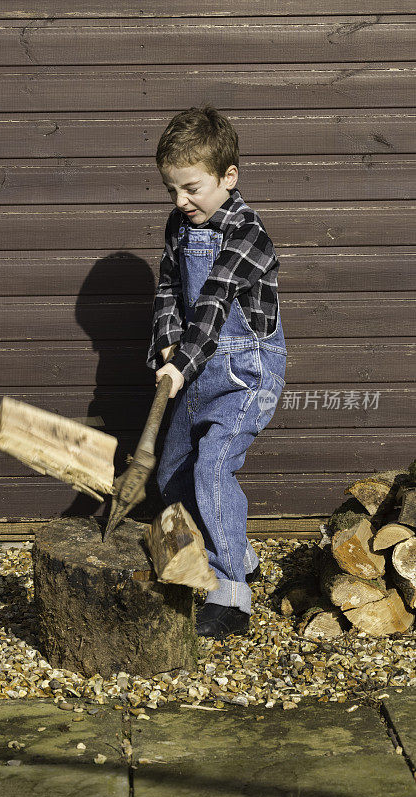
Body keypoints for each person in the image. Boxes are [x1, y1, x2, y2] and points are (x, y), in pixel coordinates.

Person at [146, 105, 287, 639]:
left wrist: (183, 360)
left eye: (191, 188)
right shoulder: (180, 227)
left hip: (245, 374)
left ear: (229, 177)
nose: (181, 201)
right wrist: (165, 346)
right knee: (171, 474)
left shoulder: (248, 233)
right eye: (172, 190)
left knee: (212, 470)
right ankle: (236, 554)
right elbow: (169, 289)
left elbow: (211, 302)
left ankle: (232, 594)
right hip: (192, 369)